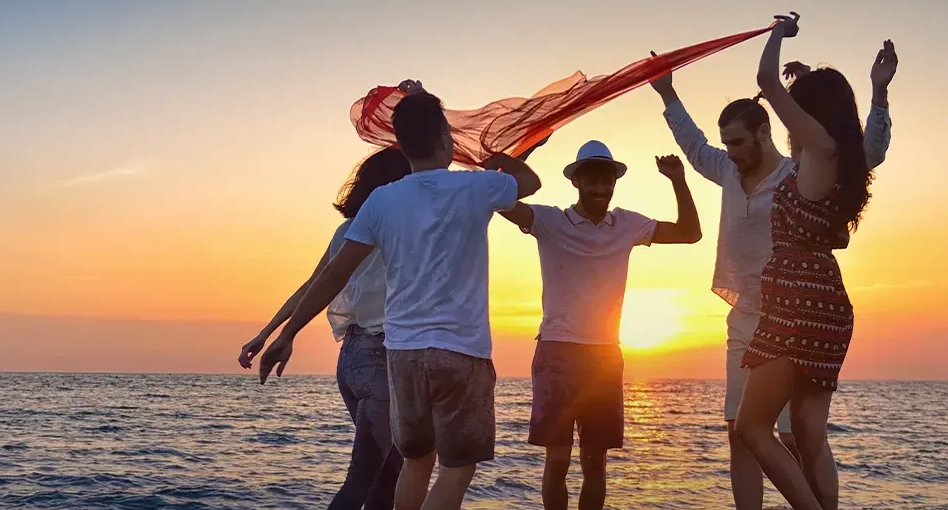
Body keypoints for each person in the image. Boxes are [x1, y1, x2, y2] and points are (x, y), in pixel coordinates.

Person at [256, 80, 543, 510]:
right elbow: (528, 181)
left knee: (413, 464)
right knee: (457, 469)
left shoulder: (380, 202)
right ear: (447, 139)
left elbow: (333, 275)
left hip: (402, 356)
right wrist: (487, 155)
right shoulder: (476, 187)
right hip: (460, 352)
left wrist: (288, 333)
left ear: (401, 148)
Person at [650, 34, 894, 510]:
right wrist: (668, 95)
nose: (731, 150)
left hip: (794, 309)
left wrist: (869, 93)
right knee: (747, 433)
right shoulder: (728, 169)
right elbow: (695, 145)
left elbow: (864, 151)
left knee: (793, 434)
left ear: (764, 133)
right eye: (728, 144)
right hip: (749, 312)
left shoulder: (799, 170)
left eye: (738, 141)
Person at [495, 141, 702, 510]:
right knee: (557, 462)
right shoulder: (550, 221)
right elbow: (497, 199)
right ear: (576, 181)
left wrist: (678, 180)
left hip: (605, 355)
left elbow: (690, 232)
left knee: (595, 463)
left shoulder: (628, 224)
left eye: (607, 180)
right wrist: (519, 154)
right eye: (592, 179)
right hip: (557, 351)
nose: (601, 188)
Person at [238, 148, 413, 510]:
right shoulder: (406, 227)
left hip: (351, 360)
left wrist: (270, 332)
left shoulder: (348, 230)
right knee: (365, 477)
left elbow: (313, 285)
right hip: (383, 359)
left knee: (388, 472)